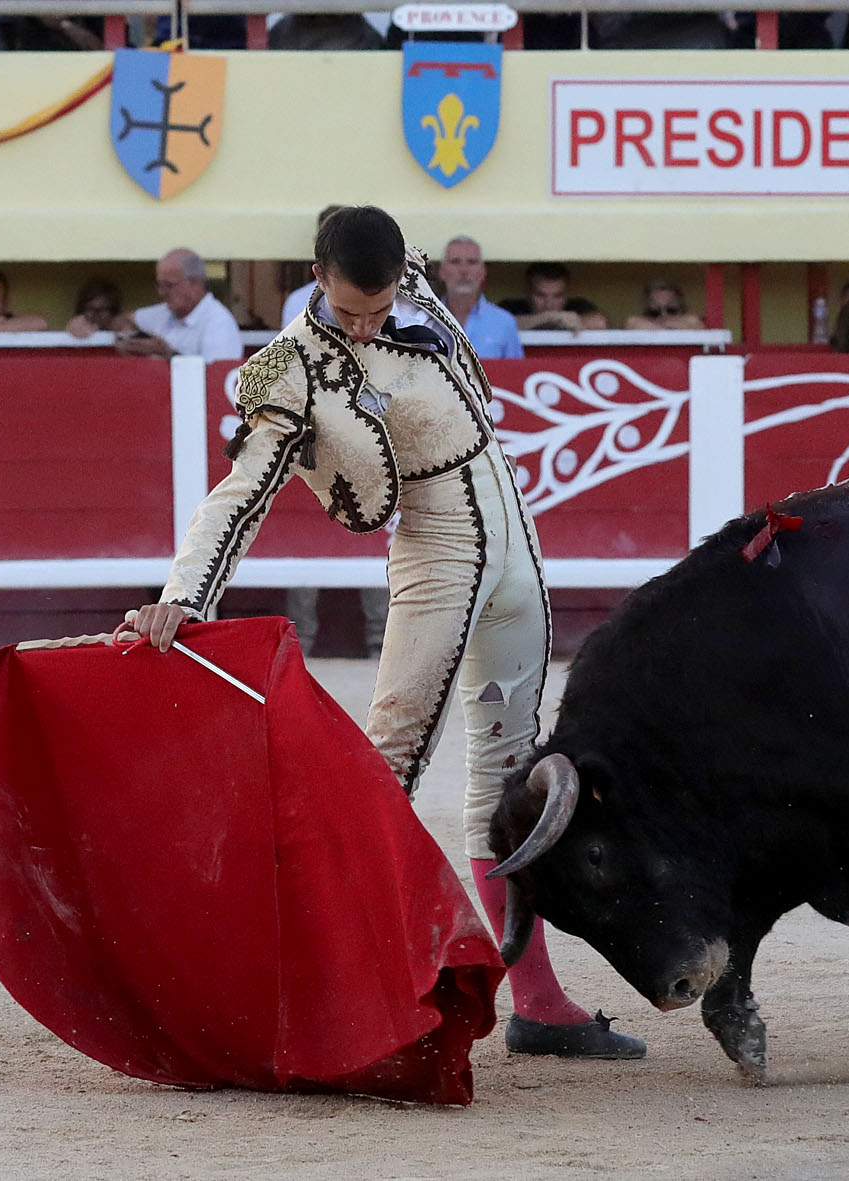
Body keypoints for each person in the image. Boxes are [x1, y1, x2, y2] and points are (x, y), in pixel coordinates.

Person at [127, 205, 643, 1060]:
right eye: (351, 311)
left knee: (508, 780)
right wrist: (185, 595)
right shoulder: (292, 369)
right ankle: (319, 995)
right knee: (385, 769)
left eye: (378, 307)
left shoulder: (409, 279)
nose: (367, 324)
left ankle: (540, 1003)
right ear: (317, 275)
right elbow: (241, 491)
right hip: (438, 552)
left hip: (516, 542)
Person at [280, 207, 389, 661]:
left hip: (372, 426)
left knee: (384, 531)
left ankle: (383, 645)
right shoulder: (298, 305)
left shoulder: (391, 299)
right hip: (318, 431)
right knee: (308, 537)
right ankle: (299, 645)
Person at [100, 249, 243, 361]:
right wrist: (128, 333)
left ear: (194, 283)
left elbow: (216, 380)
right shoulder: (164, 312)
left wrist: (167, 354)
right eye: (159, 285)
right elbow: (123, 319)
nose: (161, 292)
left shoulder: (219, 323)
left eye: (169, 285)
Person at [437, 236, 523, 359]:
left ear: (483, 271)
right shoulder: (425, 319)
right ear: (442, 271)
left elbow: (516, 374)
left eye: (471, 262)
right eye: (455, 262)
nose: (464, 271)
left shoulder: (504, 323)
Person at [500, 263, 609, 332]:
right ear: (528, 292)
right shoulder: (512, 306)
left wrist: (575, 320)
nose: (549, 304)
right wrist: (550, 318)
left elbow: (600, 323)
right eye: (540, 295)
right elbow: (498, 325)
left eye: (557, 296)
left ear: (567, 294)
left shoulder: (577, 306)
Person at [622, 278, 705, 331]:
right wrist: (669, 328)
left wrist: (667, 324)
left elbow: (697, 326)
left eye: (671, 310)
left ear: (680, 308)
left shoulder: (691, 321)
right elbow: (633, 324)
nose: (664, 315)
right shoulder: (635, 321)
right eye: (655, 312)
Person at [63, 278, 130, 336]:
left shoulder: (124, 327)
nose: (96, 315)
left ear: (114, 312)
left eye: (103, 309)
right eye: (90, 308)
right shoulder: (76, 325)